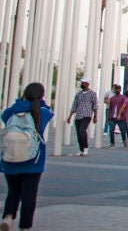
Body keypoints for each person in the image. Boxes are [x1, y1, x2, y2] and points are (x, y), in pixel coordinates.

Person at [0, 83, 53, 231]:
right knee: (29, 195)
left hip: (11, 159)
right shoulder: (41, 111)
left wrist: (21, 102)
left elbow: (4, 117)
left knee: (13, 191)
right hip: (33, 161)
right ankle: (25, 227)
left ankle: (8, 217)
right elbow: (50, 112)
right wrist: (39, 102)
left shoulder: (11, 111)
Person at [66, 78, 98, 157]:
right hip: (78, 115)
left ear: (87, 84)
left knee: (82, 130)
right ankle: (81, 149)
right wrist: (70, 116)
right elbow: (75, 105)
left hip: (87, 115)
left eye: (83, 83)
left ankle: (86, 147)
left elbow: (95, 105)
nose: (81, 84)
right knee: (78, 133)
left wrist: (95, 116)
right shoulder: (78, 94)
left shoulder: (92, 93)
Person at [105, 84, 128, 149]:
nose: (117, 90)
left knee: (122, 130)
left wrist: (124, 116)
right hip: (112, 117)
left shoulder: (123, 98)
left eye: (118, 89)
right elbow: (110, 108)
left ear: (120, 90)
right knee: (111, 130)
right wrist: (108, 117)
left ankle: (124, 140)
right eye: (116, 89)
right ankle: (112, 143)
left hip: (121, 117)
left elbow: (126, 107)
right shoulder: (112, 98)